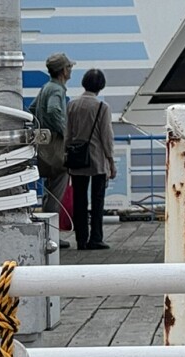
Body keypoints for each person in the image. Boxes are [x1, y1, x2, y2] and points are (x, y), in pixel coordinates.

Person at [66, 68, 117, 250]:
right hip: (97, 160)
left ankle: (81, 239)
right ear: (101, 86)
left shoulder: (72, 105)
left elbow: (68, 134)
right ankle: (96, 237)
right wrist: (111, 161)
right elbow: (106, 137)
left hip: (78, 159)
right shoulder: (102, 107)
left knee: (79, 200)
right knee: (97, 200)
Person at [31, 53, 74, 231]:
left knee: (49, 192)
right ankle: (52, 233)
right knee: (56, 192)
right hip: (56, 151)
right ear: (63, 71)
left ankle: (47, 231)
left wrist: (41, 129)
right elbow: (53, 109)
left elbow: (33, 108)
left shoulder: (45, 87)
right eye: (69, 67)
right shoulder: (57, 89)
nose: (70, 70)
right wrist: (63, 132)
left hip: (44, 149)